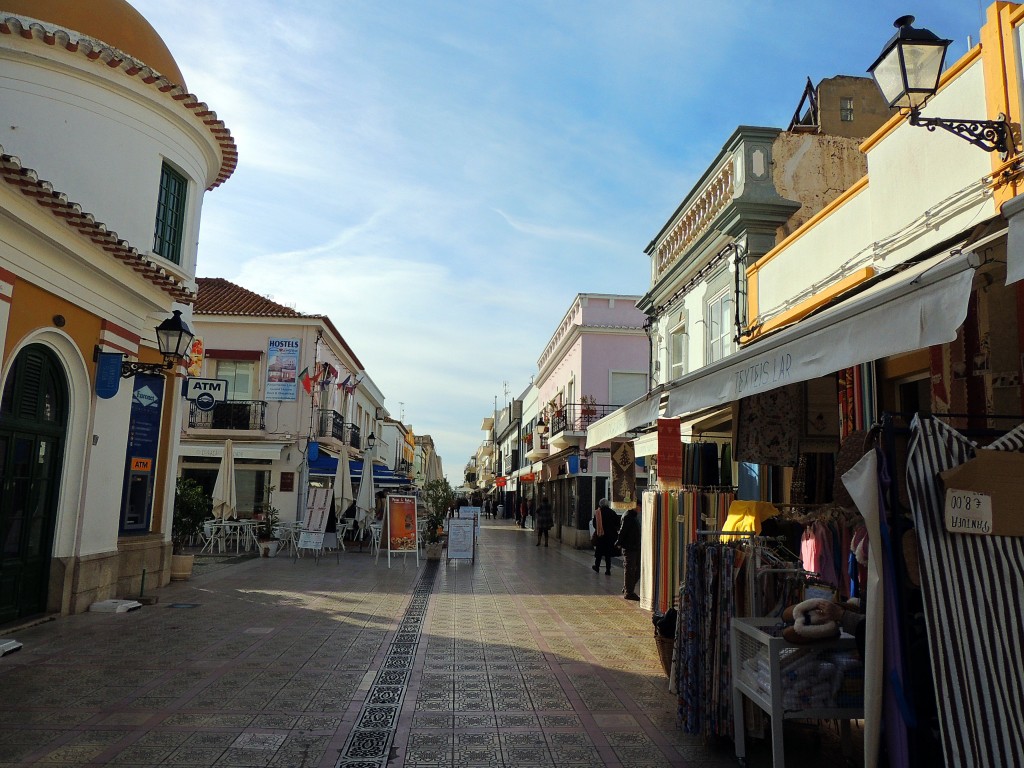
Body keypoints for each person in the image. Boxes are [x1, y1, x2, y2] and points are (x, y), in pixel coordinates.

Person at [616, 498, 641, 600]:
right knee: (630, 570)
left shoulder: (632, 516)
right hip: (630, 547)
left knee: (637, 570)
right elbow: (622, 531)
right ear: (635, 506)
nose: (641, 509)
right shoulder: (628, 517)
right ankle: (629, 592)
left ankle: (627, 587)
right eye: (639, 506)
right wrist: (618, 542)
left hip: (635, 546)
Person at [592, 498, 620, 575]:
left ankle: (597, 567)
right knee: (608, 554)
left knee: (599, 553)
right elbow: (618, 523)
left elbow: (595, 524)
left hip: (601, 536)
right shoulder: (612, 512)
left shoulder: (598, 513)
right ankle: (608, 570)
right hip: (610, 537)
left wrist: (600, 529)